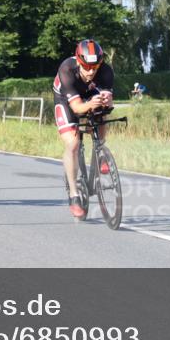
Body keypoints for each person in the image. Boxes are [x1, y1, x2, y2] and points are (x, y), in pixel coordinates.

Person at [53, 39, 114, 220]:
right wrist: (89, 105)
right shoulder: (67, 69)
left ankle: (100, 152)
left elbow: (108, 99)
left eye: (94, 67)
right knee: (73, 143)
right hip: (66, 99)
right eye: (86, 67)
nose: (90, 72)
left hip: (88, 95)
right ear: (79, 62)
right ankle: (74, 195)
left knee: (102, 113)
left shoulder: (106, 71)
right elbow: (78, 108)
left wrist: (107, 99)